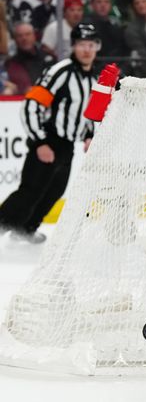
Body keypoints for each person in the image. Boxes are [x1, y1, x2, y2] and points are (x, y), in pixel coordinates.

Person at [0, 23, 99, 243]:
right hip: (49, 141)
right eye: (82, 44)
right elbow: (31, 105)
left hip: (68, 146)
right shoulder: (60, 72)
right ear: (73, 46)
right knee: (30, 191)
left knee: (54, 192)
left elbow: (88, 112)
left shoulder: (94, 79)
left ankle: (25, 231)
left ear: (97, 47)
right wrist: (40, 142)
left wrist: (89, 134)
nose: (86, 50)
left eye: (91, 45)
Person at [4, 22, 54, 94]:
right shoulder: (10, 64)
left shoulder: (48, 59)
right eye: (20, 36)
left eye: (28, 34)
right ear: (15, 39)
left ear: (34, 36)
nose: (24, 38)